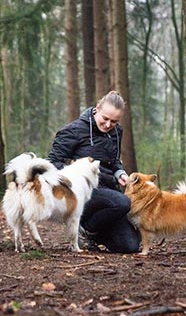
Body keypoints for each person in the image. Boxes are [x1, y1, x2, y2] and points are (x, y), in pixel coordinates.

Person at [48, 91, 141, 253]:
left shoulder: (116, 132)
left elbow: (114, 162)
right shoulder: (73, 130)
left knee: (129, 246)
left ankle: (92, 232)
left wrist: (120, 174)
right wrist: (75, 179)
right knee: (122, 203)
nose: (108, 125)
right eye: (105, 119)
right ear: (97, 108)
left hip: (108, 192)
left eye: (114, 121)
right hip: (82, 192)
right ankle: (84, 230)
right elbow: (53, 163)